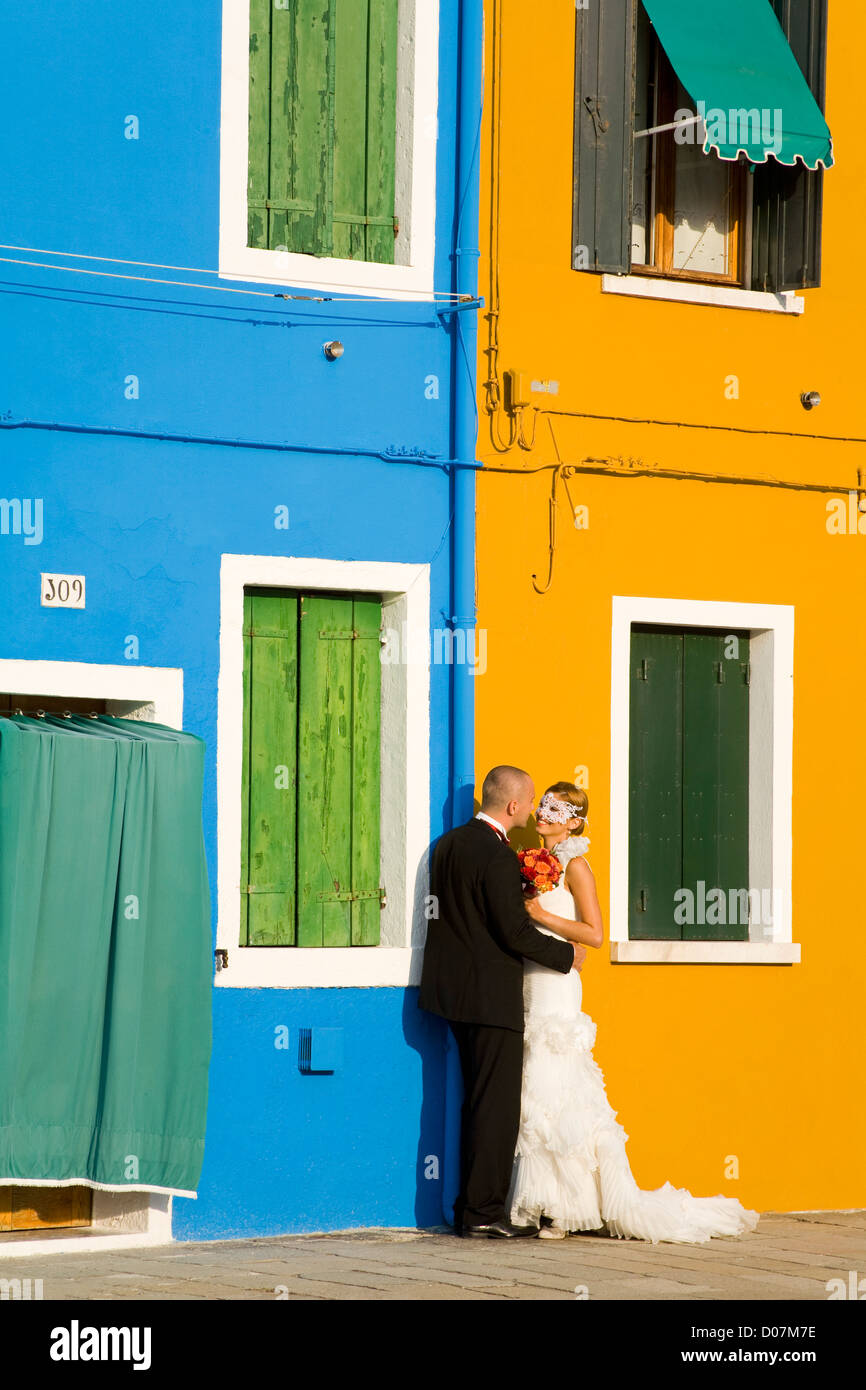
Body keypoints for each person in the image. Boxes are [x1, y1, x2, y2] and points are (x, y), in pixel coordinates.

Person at [508, 781, 761, 1244]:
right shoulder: (530, 865)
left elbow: (594, 934)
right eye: (541, 805)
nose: (543, 813)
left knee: (557, 1083)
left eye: (554, 808)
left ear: (574, 821)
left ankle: (563, 1209)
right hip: (530, 980)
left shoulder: (578, 866)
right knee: (531, 1085)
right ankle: (542, 1199)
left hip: (559, 989)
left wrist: (543, 917)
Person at [418, 765, 584, 1237]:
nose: (532, 811)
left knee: (474, 1101)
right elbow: (510, 930)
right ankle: (484, 1214)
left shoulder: (447, 845)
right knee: (495, 1108)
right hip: (490, 998)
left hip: (451, 995)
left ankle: (470, 1206)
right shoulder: (496, 855)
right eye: (530, 802)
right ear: (513, 806)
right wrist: (565, 955)